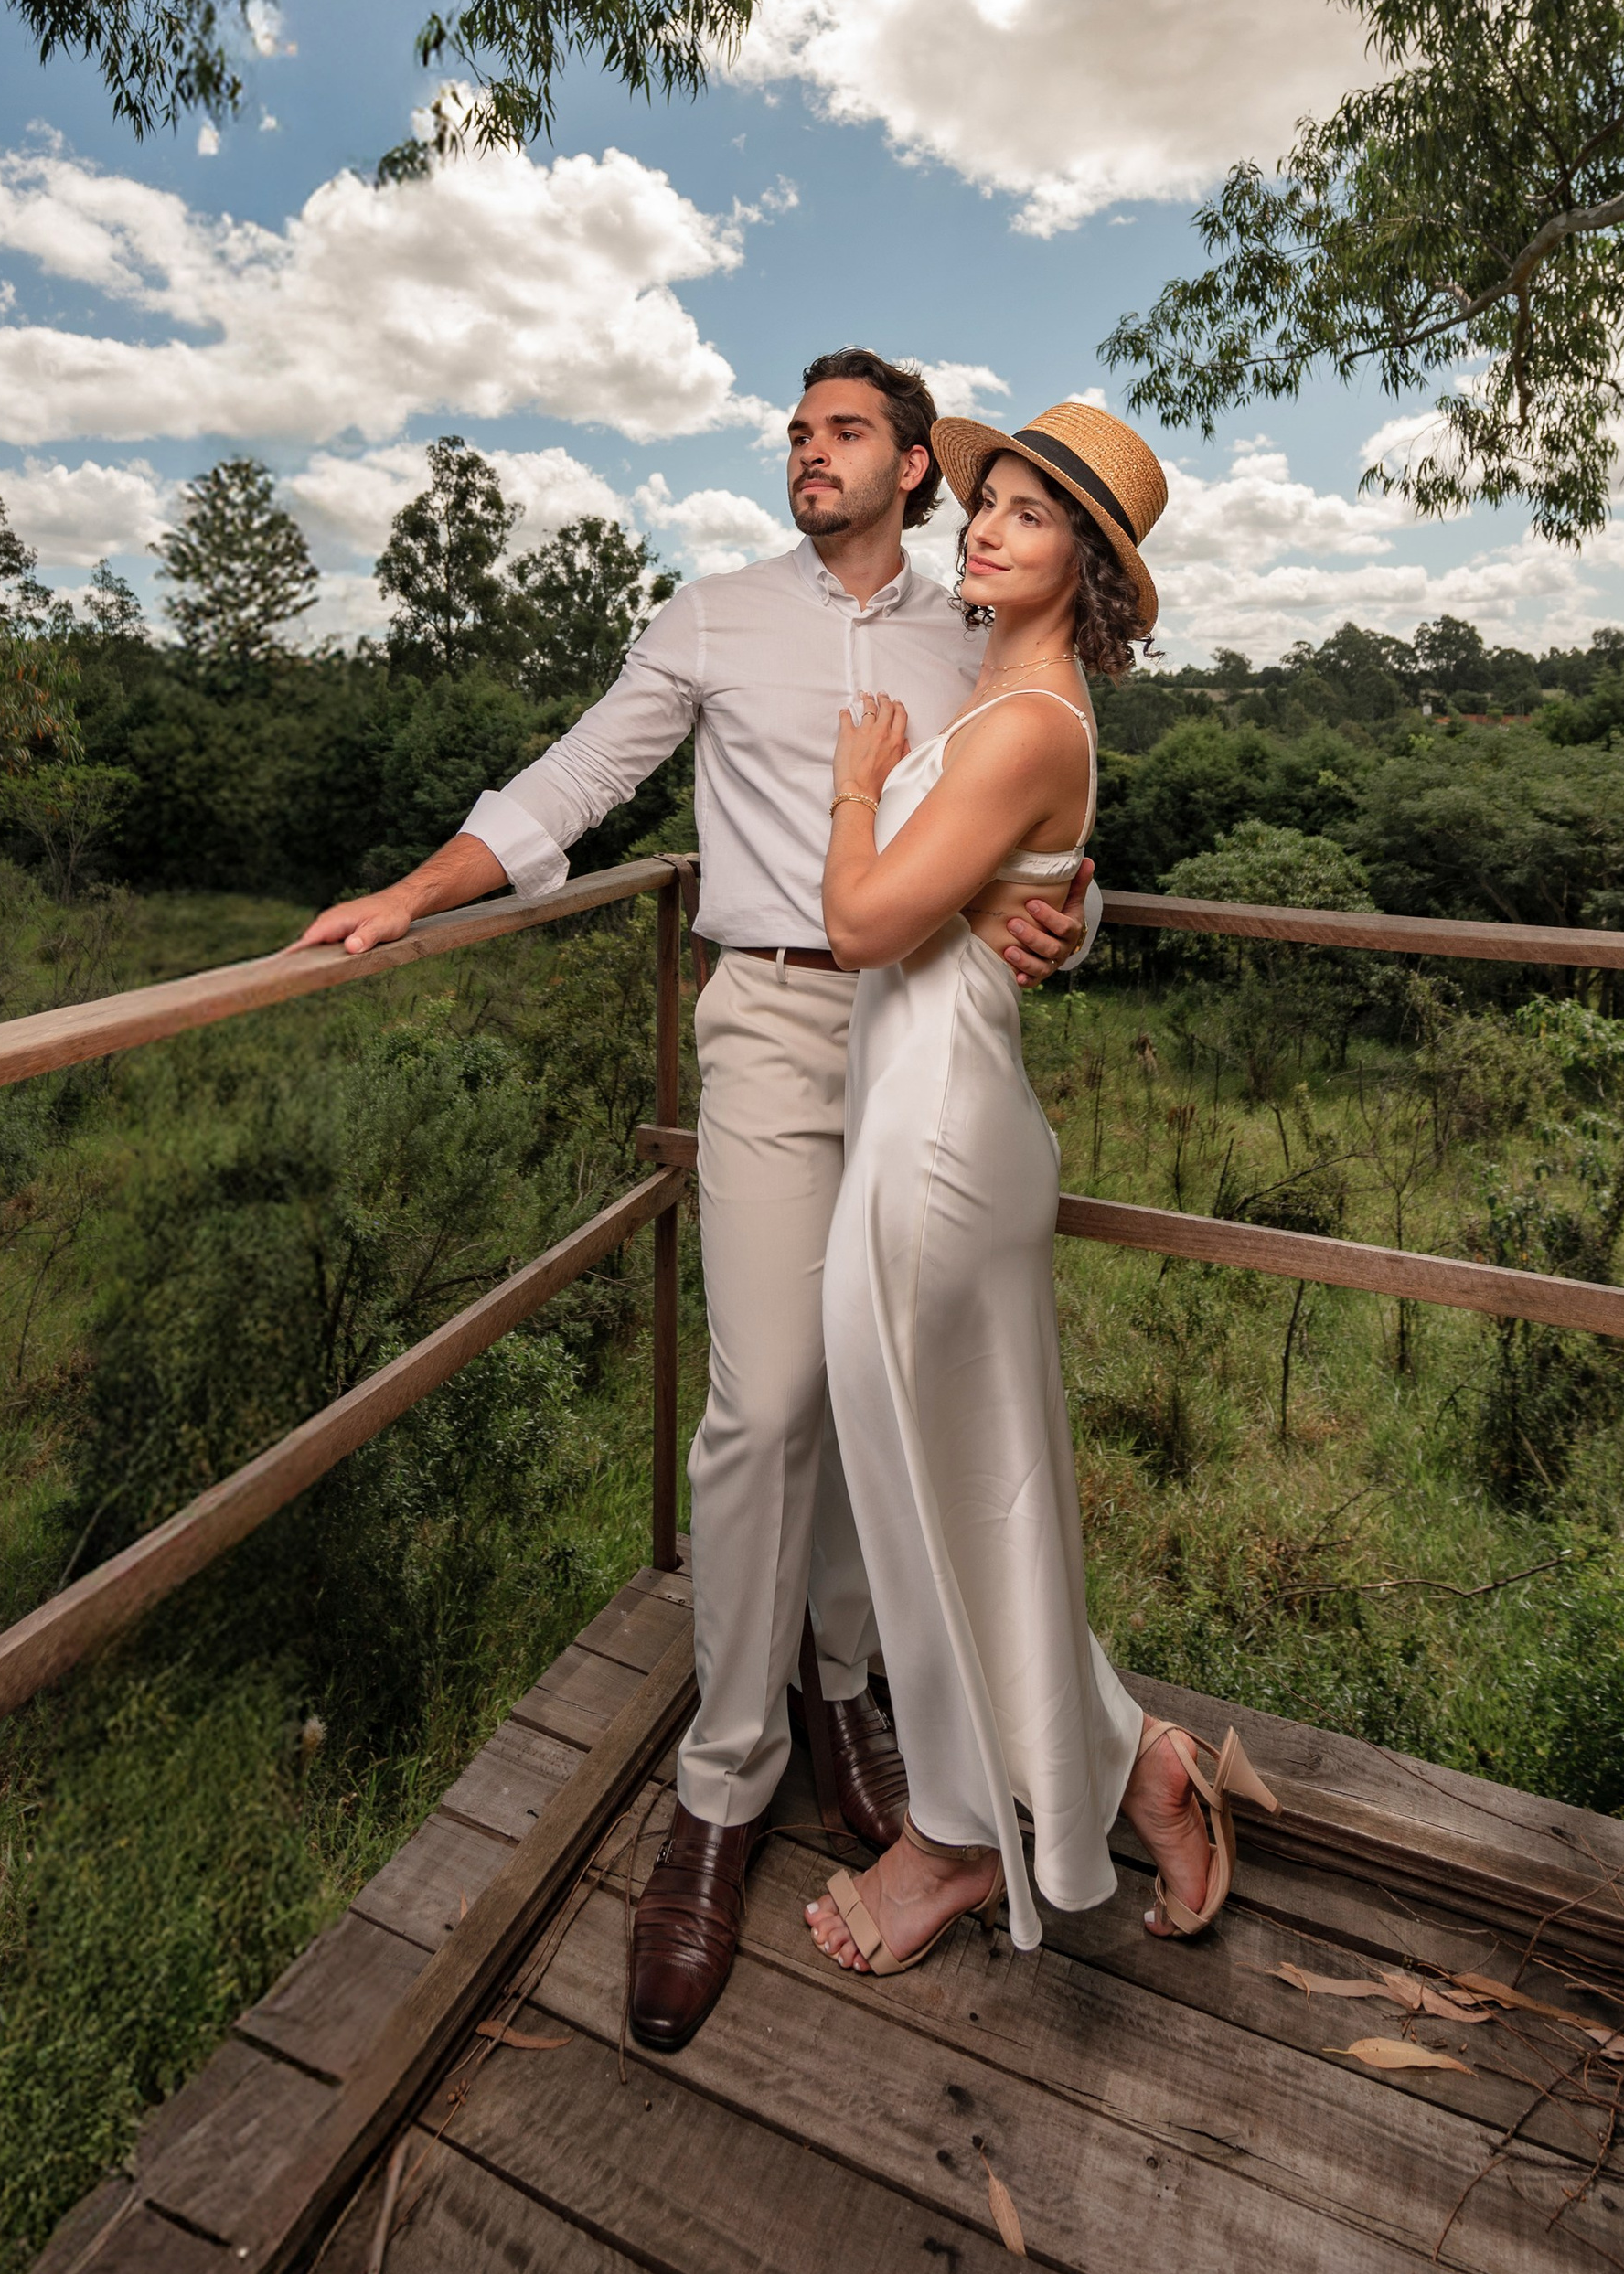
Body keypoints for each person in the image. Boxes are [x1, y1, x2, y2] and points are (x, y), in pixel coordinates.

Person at [295, 350, 1091, 2050]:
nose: (809, 451)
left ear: (913, 470)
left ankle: (846, 1689)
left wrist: (1066, 922)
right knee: (769, 1402)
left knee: (882, 1393)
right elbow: (579, 781)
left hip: (927, 1036)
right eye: (797, 431)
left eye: (844, 431)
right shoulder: (718, 614)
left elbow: (1039, 839)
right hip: (777, 1024)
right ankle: (722, 1787)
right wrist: (414, 891)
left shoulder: (976, 638)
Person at [802, 399, 1277, 1984]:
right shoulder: (1012, 697)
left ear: (1092, 566)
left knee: (929, 1503)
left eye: (1029, 513)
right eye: (986, 501)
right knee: (958, 1496)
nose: (986, 526)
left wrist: (859, 782)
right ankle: (1138, 1763)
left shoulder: (1019, 722)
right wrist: (1075, 907)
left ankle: (947, 1841)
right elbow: (1032, 872)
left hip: (936, 1144)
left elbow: (867, 924)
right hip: (938, 1122)